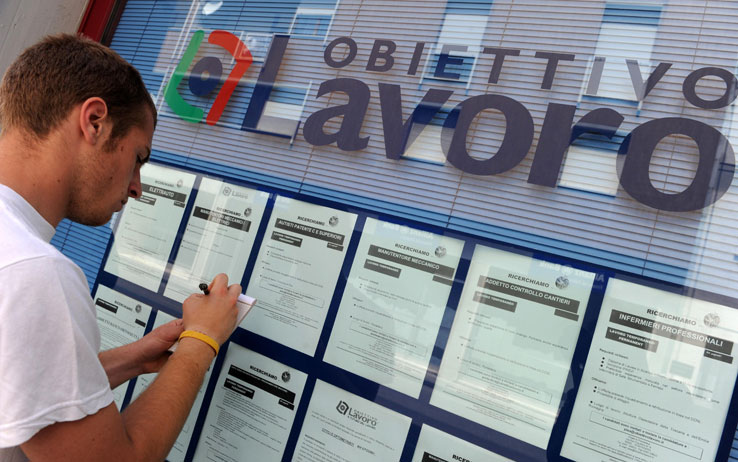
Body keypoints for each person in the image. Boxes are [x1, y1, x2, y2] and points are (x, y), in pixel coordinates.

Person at [0, 34, 241, 461]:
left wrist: (133, 360)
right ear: (94, 122)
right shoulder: (34, 272)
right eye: (138, 158)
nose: (137, 188)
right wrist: (201, 341)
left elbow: (20, 385)